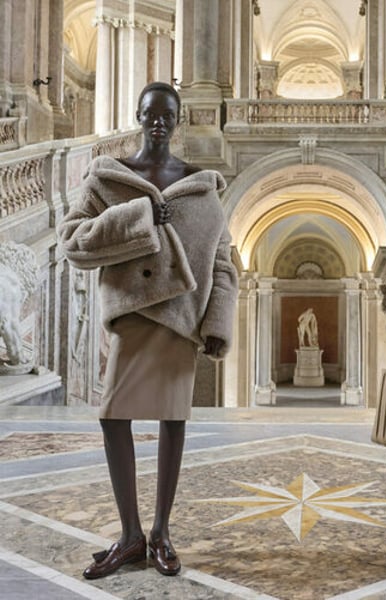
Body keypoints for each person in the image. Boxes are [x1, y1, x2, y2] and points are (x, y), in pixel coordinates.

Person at [58, 82, 238, 579]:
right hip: (132, 316)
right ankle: (130, 534)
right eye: (150, 113)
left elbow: (223, 262)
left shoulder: (199, 186)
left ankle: (160, 534)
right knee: (113, 417)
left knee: (172, 420)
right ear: (137, 116)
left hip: (181, 319)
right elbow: (72, 240)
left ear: (178, 121)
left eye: (167, 115)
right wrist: (137, 218)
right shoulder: (109, 178)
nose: (158, 122)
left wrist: (217, 321)